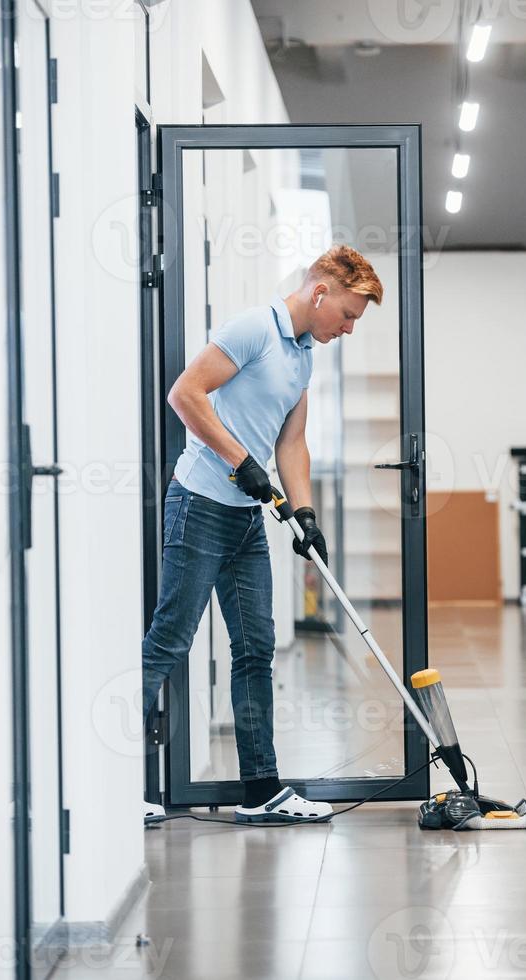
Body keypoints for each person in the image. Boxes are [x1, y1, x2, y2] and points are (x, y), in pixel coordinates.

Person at [142, 244, 384, 823]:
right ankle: (109, 782)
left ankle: (261, 789)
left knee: (254, 650)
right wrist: (237, 460)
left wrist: (305, 514)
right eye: (348, 315)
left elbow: (292, 443)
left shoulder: (303, 356)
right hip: (199, 505)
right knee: (171, 641)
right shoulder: (253, 329)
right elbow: (185, 394)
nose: (349, 329)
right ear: (321, 292)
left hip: (246, 519)